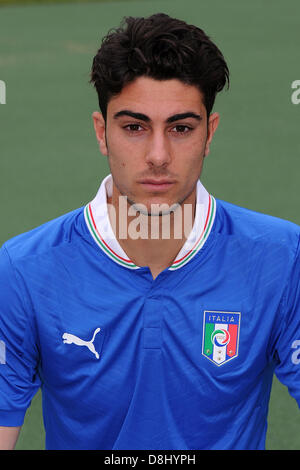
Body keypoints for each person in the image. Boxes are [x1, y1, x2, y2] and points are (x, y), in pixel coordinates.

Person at [0, 13, 299, 451]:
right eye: (134, 127)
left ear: (208, 134)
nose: (158, 155)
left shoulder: (281, 258)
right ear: (102, 132)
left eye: (181, 128)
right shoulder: (24, 271)